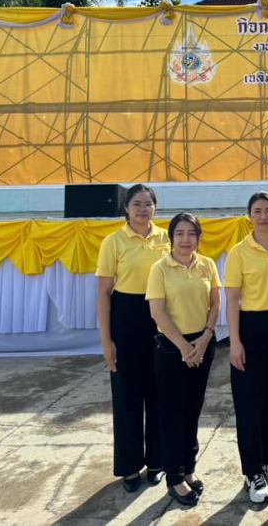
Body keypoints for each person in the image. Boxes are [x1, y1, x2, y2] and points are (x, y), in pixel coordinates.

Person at [96, 183, 169, 492]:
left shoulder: (167, 237)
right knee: (127, 396)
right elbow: (103, 292)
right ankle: (128, 466)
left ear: (155, 207)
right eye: (136, 203)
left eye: (147, 203)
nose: (142, 209)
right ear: (125, 208)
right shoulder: (113, 242)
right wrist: (106, 340)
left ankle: (157, 460)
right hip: (126, 320)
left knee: (158, 393)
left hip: (161, 317)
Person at [146, 212, 221, 507]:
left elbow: (215, 303)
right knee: (171, 414)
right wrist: (183, 347)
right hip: (171, 348)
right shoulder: (160, 268)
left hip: (202, 344)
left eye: (191, 234)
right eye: (180, 234)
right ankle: (174, 476)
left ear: (199, 238)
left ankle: (189, 467)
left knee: (193, 410)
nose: (186, 239)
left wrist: (204, 338)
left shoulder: (208, 265)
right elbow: (158, 313)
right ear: (171, 237)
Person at [225, 191, 268, 504]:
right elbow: (233, 300)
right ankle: (252, 470)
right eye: (257, 211)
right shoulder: (239, 251)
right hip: (250, 331)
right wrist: (235, 341)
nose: (263, 216)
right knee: (249, 405)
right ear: (249, 216)